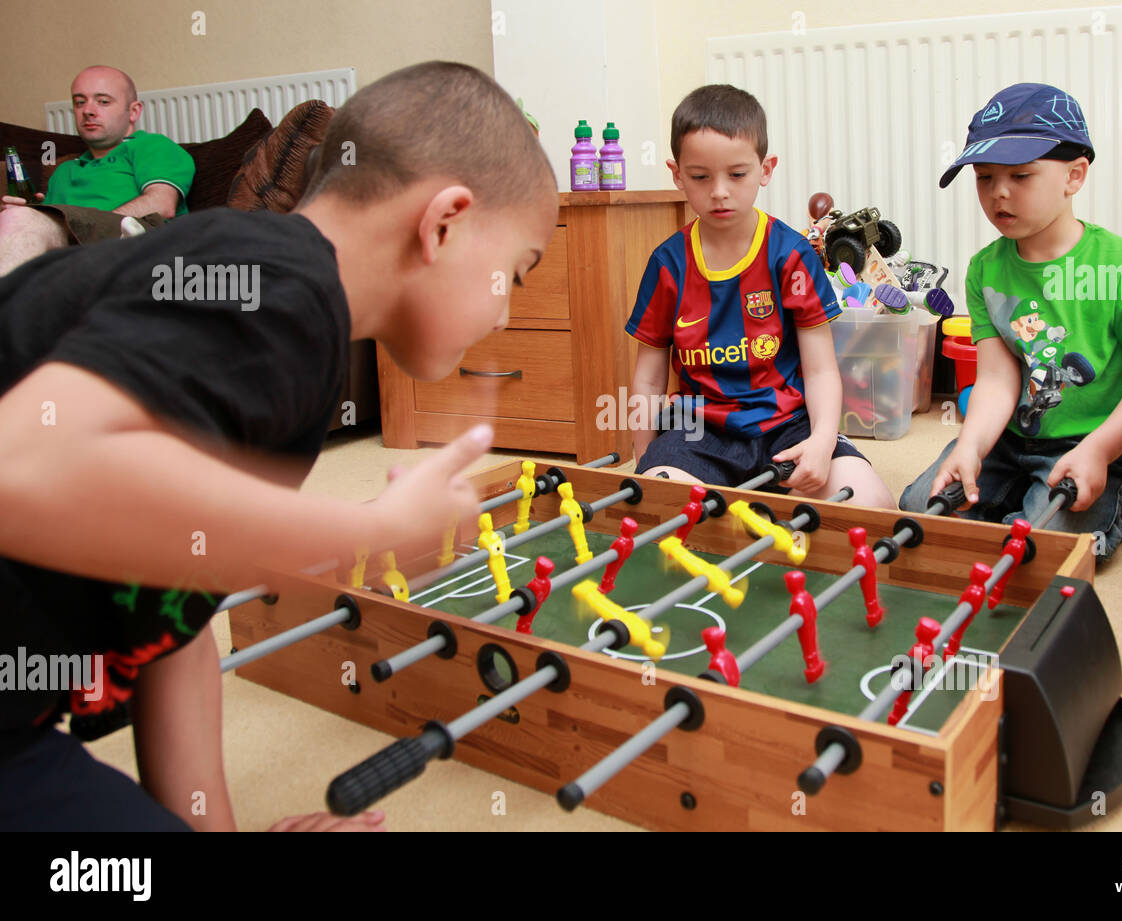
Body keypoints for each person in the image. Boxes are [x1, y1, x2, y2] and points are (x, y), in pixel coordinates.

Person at [0, 61, 558, 830]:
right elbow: (21, 465)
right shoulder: (281, 291)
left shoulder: (281, 309)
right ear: (445, 222)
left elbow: (175, 614)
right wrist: (374, 529)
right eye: (516, 274)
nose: (503, 314)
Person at [899, 83, 1122, 559]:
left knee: (1045, 546)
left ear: (1074, 176)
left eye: (1021, 176)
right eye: (985, 177)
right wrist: (969, 446)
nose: (999, 193)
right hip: (1011, 437)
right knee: (919, 508)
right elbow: (994, 379)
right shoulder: (984, 269)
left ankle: (1109, 506)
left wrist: (1097, 452)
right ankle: (1014, 492)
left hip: (1096, 443)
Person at [625, 84, 894, 508]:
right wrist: (643, 459)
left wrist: (823, 442)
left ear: (765, 169)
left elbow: (821, 369)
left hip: (789, 426)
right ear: (676, 174)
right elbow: (648, 377)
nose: (718, 191)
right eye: (699, 177)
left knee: (871, 503)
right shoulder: (667, 264)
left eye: (737, 174)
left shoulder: (792, 255)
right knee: (656, 505)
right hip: (698, 434)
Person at [0, 65, 195, 275]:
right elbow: (44, 232)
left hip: (137, 246)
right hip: (69, 258)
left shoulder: (152, 146)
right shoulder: (64, 171)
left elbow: (162, 204)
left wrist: (84, 229)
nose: (88, 111)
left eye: (103, 101)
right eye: (79, 102)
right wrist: (23, 215)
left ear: (134, 111)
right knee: (17, 218)